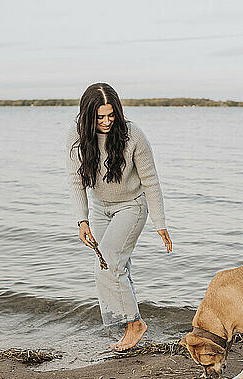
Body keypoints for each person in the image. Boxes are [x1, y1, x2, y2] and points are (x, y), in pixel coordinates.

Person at [65, 82, 172, 351]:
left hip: (132, 206)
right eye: (100, 117)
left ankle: (135, 324)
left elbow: (151, 181)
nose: (106, 121)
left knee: (109, 263)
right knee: (115, 266)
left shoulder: (133, 135)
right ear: (88, 115)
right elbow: (76, 182)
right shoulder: (76, 136)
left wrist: (159, 224)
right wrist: (82, 220)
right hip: (101, 208)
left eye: (111, 115)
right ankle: (127, 325)